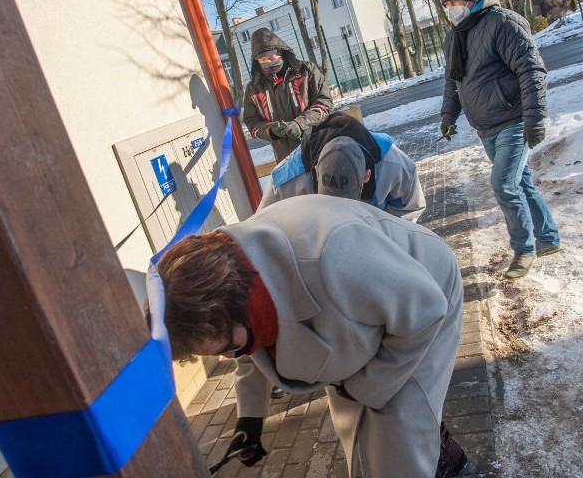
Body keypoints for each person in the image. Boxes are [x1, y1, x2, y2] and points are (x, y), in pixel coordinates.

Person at [148, 195, 469, 477]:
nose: (232, 355)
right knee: (359, 429)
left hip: (422, 298)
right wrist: (250, 416)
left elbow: (425, 309)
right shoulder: (239, 282)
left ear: (239, 305)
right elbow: (251, 344)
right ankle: (437, 448)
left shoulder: (333, 252)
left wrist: (365, 388)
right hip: (359, 318)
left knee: (399, 431)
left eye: (230, 347)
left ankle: (436, 456)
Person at [438, 0, 560, 280]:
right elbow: (453, 81)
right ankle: (548, 238)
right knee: (522, 184)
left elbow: (532, 70)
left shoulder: (502, 22)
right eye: (446, 3)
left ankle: (524, 250)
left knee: (504, 185)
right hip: (486, 127)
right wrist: (448, 114)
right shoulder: (456, 35)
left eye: (455, 1)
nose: (451, 8)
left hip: (513, 120)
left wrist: (534, 118)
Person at [258, 112, 426, 221]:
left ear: (367, 176)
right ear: (316, 171)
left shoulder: (396, 166)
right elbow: (264, 233)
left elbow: (410, 208)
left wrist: (382, 239)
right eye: (333, 202)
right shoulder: (285, 182)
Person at [242, 27, 333, 163]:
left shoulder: (306, 71)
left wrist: (300, 124)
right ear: (257, 62)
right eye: (263, 60)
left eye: (272, 57)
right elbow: (251, 122)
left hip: (319, 147)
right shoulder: (253, 89)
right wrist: (270, 131)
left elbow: (324, 103)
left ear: (281, 52)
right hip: (286, 159)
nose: (268, 62)